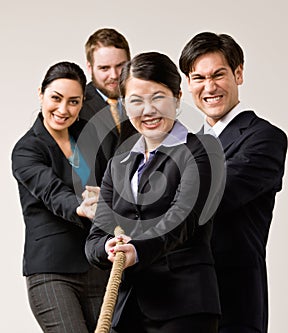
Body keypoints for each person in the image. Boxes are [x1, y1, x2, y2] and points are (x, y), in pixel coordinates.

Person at [85, 51, 226, 333]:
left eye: (157, 97)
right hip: (126, 311)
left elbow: (182, 219)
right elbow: (95, 238)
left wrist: (136, 249)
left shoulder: (202, 152)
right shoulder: (118, 164)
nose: (147, 111)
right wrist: (108, 248)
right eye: (136, 101)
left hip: (184, 309)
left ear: (176, 97)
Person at [179, 32, 288, 333]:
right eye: (198, 77)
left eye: (218, 75)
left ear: (238, 73)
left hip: (233, 302)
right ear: (188, 84)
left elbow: (215, 195)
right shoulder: (185, 147)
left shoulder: (265, 138)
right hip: (182, 303)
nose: (209, 87)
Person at [11, 61, 106, 333]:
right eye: (56, 98)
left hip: (97, 265)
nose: (63, 110)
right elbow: (52, 192)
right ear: (41, 94)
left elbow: (111, 179)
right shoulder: (26, 150)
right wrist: (83, 207)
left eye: (73, 102)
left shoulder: (88, 135)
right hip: (53, 272)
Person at [80, 27, 138, 181]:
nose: (114, 75)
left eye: (120, 66)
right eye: (104, 68)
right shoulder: (77, 106)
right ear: (90, 67)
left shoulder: (143, 100)